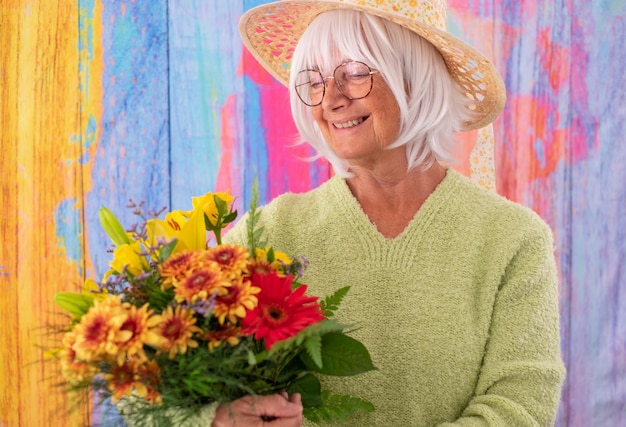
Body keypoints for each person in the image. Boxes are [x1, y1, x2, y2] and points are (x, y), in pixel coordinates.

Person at [212, 0, 567, 425]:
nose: (331, 99)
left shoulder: (512, 238)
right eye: (315, 81)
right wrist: (217, 417)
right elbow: (162, 388)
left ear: (416, 80)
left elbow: (521, 405)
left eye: (356, 73)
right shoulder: (267, 233)